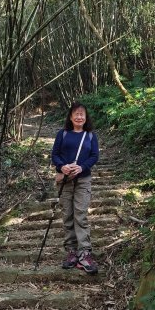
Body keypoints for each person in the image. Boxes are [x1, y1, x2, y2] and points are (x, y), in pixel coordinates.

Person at [51, 101, 99, 274]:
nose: (79, 117)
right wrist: (62, 166)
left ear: (86, 118)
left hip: (83, 180)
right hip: (65, 181)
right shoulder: (62, 134)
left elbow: (94, 156)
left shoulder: (90, 136)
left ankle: (84, 252)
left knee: (81, 215)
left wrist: (82, 167)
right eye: (76, 114)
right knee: (68, 215)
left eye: (82, 114)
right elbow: (54, 155)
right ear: (71, 117)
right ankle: (71, 251)